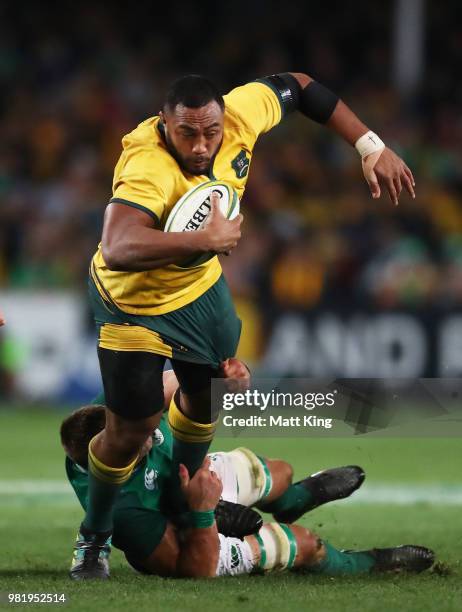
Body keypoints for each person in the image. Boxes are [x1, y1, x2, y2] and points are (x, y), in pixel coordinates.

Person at [75, 71, 416, 579]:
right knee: (132, 429)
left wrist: (369, 145)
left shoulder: (241, 114)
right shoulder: (147, 164)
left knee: (207, 397)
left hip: (197, 292)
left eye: (210, 132)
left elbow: (301, 87)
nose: (200, 144)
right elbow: (119, 248)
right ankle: (95, 537)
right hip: (133, 302)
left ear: (222, 119)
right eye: (186, 133)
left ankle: (190, 506)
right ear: (163, 125)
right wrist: (203, 241)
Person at [61, 364, 434, 578]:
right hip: (182, 534)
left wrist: (225, 380)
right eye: (134, 440)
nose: (148, 433)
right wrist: (205, 513)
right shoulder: (126, 516)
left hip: (188, 477)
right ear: (112, 464)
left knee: (279, 472)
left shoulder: (120, 410)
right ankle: (370, 563)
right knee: (301, 543)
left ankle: (293, 499)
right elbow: (195, 567)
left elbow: (178, 383)